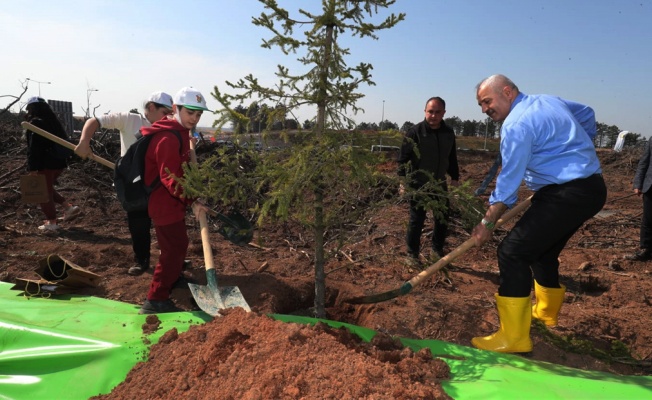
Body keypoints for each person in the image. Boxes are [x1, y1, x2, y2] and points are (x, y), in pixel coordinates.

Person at [470, 74, 606, 353]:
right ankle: (545, 313)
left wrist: (487, 222)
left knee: (512, 252)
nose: (484, 110)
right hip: (591, 188)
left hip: (566, 194)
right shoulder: (547, 101)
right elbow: (587, 113)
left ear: (507, 92)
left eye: (487, 101)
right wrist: (579, 147)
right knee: (542, 252)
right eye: (481, 105)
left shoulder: (516, 124)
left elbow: (509, 180)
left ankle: (514, 337)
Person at [75, 91, 173, 276]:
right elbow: (94, 121)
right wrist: (84, 142)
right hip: (134, 183)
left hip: (159, 183)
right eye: (165, 112)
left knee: (166, 223)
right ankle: (142, 260)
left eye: (170, 114)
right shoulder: (129, 119)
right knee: (138, 224)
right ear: (151, 108)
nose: (168, 117)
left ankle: (172, 257)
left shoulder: (167, 128)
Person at [139, 87, 210, 314]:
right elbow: (170, 179)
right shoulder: (167, 138)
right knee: (174, 248)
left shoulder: (179, 132)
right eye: (190, 112)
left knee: (177, 246)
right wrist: (193, 202)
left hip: (173, 203)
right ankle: (156, 298)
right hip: (164, 203)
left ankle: (174, 277)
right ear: (175, 109)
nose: (195, 118)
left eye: (199, 114)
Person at [398, 97, 460, 265]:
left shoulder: (448, 133)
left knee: (442, 217)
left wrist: (454, 177)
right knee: (417, 219)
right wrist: (403, 182)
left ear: (444, 113)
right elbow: (403, 158)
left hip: (439, 183)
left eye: (437, 112)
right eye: (430, 111)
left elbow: (451, 157)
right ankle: (412, 255)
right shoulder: (415, 132)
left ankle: (436, 251)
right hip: (418, 183)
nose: (433, 115)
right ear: (425, 111)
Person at [24, 96, 81, 231]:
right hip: (58, 163)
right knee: (47, 188)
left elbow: (34, 147)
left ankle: (52, 222)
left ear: (32, 109)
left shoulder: (36, 123)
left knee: (43, 193)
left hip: (45, 163)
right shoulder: (54, 122)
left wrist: (32, 167)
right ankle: (68, 207)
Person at [624, 136, 652, 261]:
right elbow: (644, 162)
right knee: (648, 220)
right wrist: (638, 183)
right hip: (651, 186)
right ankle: (645, 250)